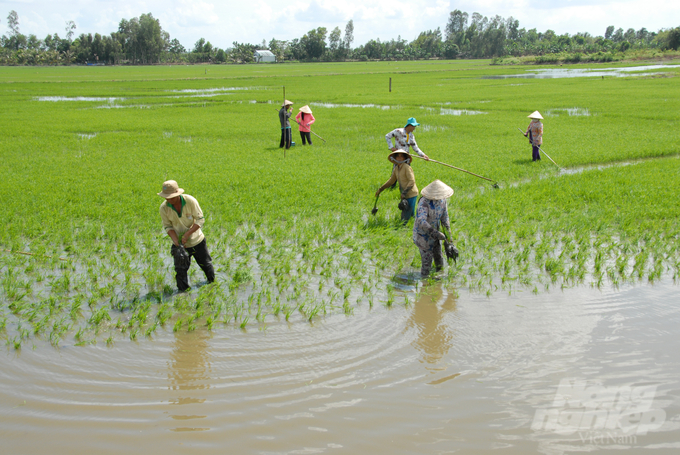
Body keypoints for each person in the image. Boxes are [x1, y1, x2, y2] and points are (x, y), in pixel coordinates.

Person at [158, 180, 215, 292]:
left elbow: (200, 220)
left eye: (171, 197)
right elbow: (168, 226)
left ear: (177, 194)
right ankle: (183, 295)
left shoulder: (190, 201)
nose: (168, 200)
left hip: (197, 241)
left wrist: (187, 234)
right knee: (180, 270)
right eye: (166, 197)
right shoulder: (164, 208)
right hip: (180, 244)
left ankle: (212, 285)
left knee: (206, 264)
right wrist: (176, 241)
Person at [413, 180, 453, 278]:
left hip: (436, 235)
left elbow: (445, 219)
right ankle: (425, 283)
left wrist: (449, 239)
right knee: (427, 263)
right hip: (423, 236)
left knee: (439, 258)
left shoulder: (443, 201)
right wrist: (435, 233)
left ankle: (438, 282)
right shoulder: (424, 203)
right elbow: (421, 221)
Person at [375, 151, 419, 223]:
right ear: (395, 158)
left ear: (405, 158)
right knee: (410, 214)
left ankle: (405, 228)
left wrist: (404, 193)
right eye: (398, 156)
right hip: (404, 194)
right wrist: (380, 189)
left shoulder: (406, 167)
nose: (399, 158)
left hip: (411, 194)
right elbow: (391, 181)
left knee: (405, 217)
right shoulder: (396, 168)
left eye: (401, 156)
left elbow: (412, 181)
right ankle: (413, 225)